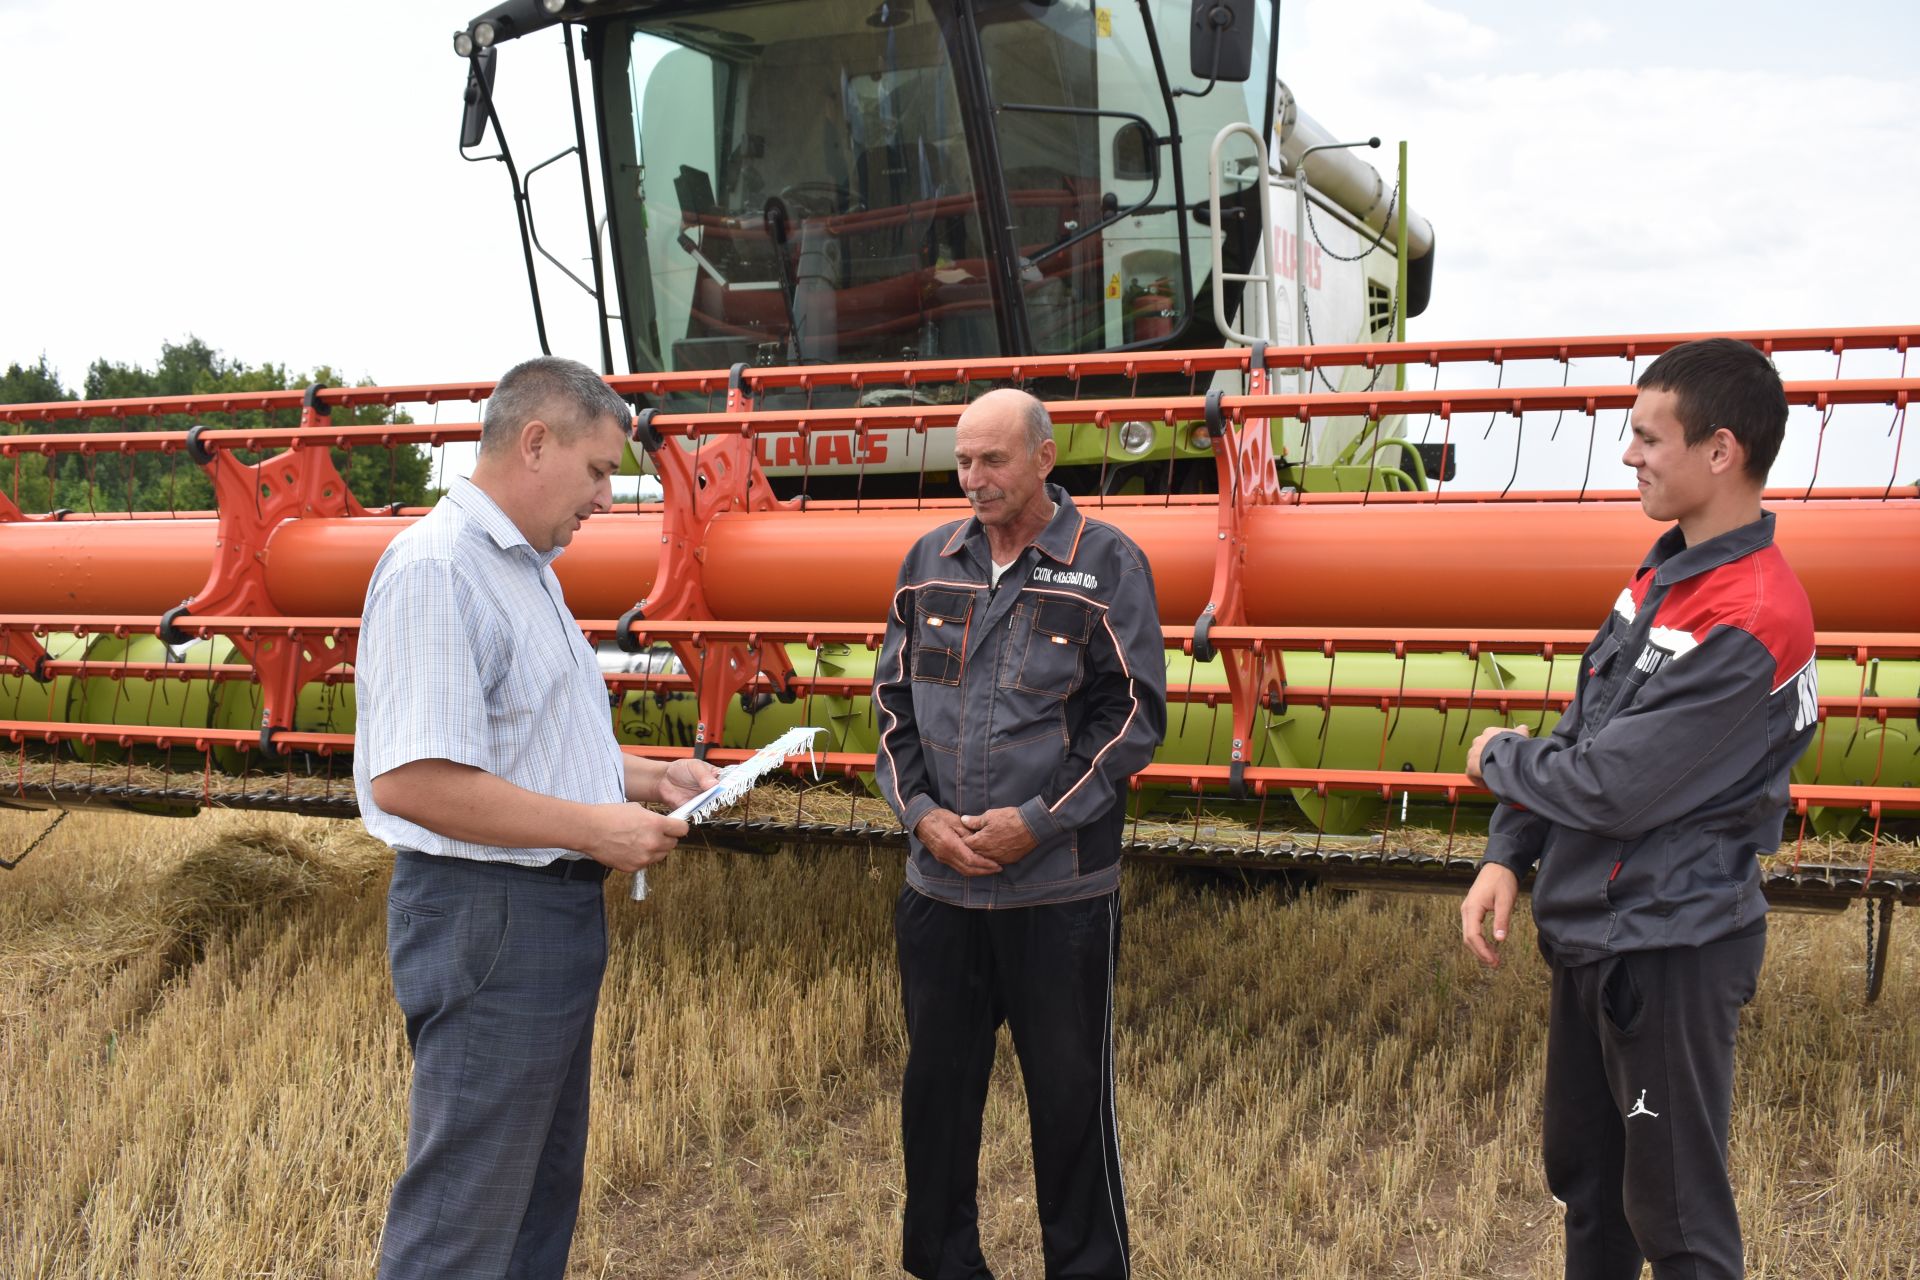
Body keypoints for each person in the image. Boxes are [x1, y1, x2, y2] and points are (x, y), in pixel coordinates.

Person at [352, 355, 720, 1279]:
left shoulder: (527, 567)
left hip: (540, 915)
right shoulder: (439, 568)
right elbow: (413, 780)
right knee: (464, 1224)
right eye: (598, 471)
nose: (606, 495)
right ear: (535, 442)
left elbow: (521, 737)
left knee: (532, 1210)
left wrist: (643, 778)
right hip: (490, 918)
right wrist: (593, 830)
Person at [1460, 338, 1818, 1280]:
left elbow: (1613, 785)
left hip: (1667, 945)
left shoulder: (1749, 618)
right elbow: (1587, 722)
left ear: (1720, 451)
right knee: (1590, 1185)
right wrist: (1508, 850)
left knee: (1677, 1220)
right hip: (1599, 932)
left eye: (1646, 436)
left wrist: (1495, 757)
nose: (1629, 455)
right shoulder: (1664, 577)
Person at [873, 387, 1168, 1279]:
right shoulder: (930, 559)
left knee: (1071, 1106)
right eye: (963, 461)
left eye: (993, 460)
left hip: (1058, 897)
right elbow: (891, 710)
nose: (974, 479)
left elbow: (1132, 719)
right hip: (942, 893)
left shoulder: (1106, 563)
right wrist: (921, 816)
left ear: (1045, 458)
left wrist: (1036, 824)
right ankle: (942, 1264)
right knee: (936, 1102)